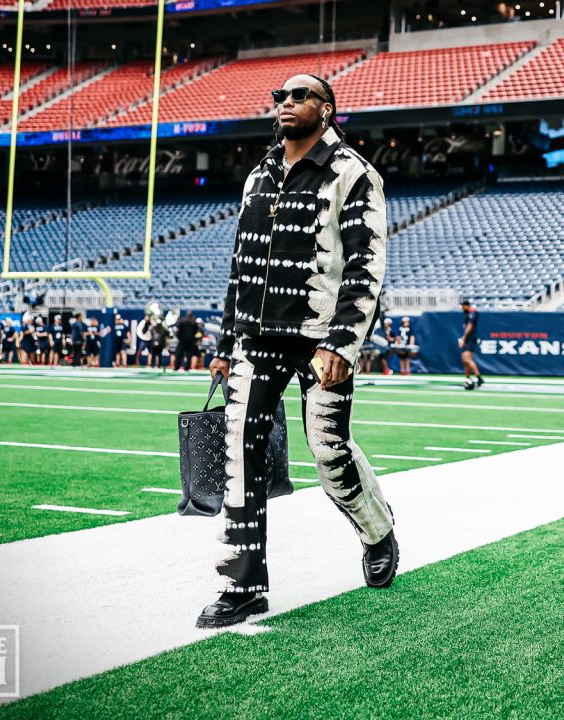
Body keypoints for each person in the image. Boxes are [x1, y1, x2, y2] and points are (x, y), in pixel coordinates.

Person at [199, 73, 397, 628]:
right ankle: (242, 586)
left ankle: (377, 531)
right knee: (239, 453)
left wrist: (343, 342)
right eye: (279, 97)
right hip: (256, 340)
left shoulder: (355, 173)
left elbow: (366, 267)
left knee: (328, 450)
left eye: (299, 96)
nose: (285, 103)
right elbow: (242, 266)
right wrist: (223, 341)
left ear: (327, 109)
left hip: (321, 341)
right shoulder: (258, 175)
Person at [459, 299, 483, 389]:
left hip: (470, 339)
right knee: (464, 360)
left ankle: (479, 377)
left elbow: (470, 326)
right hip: (468, 339)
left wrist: (463, 338)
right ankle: (468, 378)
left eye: (462, 306)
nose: (462, 308)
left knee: (467, 359)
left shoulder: (472, 313)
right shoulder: (468, 314)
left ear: (466, 305)